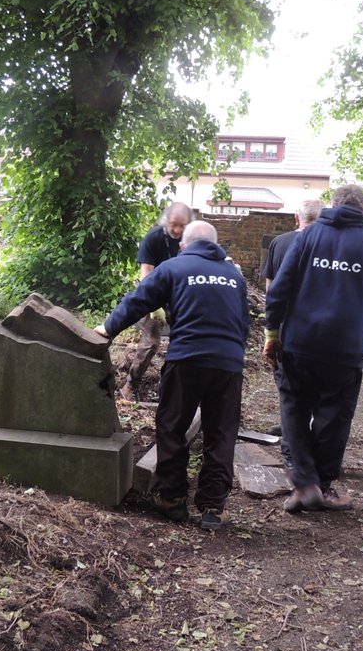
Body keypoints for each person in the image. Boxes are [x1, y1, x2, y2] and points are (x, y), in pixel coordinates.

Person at [96, 220, 249, 531]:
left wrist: (107, 328)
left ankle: (171, 498)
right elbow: (243, 323)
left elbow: (138, 300)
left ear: (183, 245)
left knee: (173, 426)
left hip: (187, 360)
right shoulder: (234, 276)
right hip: (228, 364)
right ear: (216, 244)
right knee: (221, 433)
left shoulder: (172, 268)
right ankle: (213, 507)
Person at [264, 184, 363, 513]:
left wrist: (272, 333)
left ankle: (305, 483)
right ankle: (321, 486)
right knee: (334, 415)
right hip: (345, 347)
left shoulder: (307, 236)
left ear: (333, 205)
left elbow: (279, 288)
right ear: (362, 208)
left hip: (301, 341)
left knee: (294, 408)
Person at [260, 198, 324, 475]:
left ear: (297, 218)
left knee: (289, 390)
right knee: (318, 390)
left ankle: (291, 449)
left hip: (285, 325)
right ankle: (309, 447)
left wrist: (271, 328)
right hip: (318, 327)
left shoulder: (279, 242)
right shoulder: (327, 244)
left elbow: (270, 289)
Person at [119, 202, 193, 401]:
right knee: (151, 342)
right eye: (173, 224)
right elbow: (146, 274)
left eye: (182, 226)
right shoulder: (154, 238)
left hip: (179, 298)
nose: (177, 230)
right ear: (166, 221)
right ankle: (131, 385)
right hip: (152, 294)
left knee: (184, 341)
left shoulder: (192, 241)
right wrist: (155, 304)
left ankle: (171, 387)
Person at [261, 199, 324, 290]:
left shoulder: (277, 242)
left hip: (282, 298)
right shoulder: (328, 244)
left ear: (296, 218)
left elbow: (270, 281)